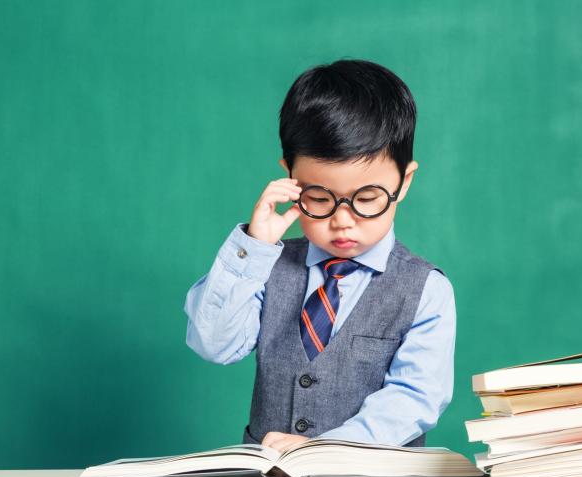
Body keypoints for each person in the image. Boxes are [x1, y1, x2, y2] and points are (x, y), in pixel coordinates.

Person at [184, 59, 455, 453]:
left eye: (366, 199)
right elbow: (213, 343)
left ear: (404, 181)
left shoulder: (427, 290)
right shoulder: (266, 267)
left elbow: (415, 398)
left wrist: (323, 450)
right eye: (318, 198)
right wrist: (254, 249)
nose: (343, 221)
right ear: (289, 178)